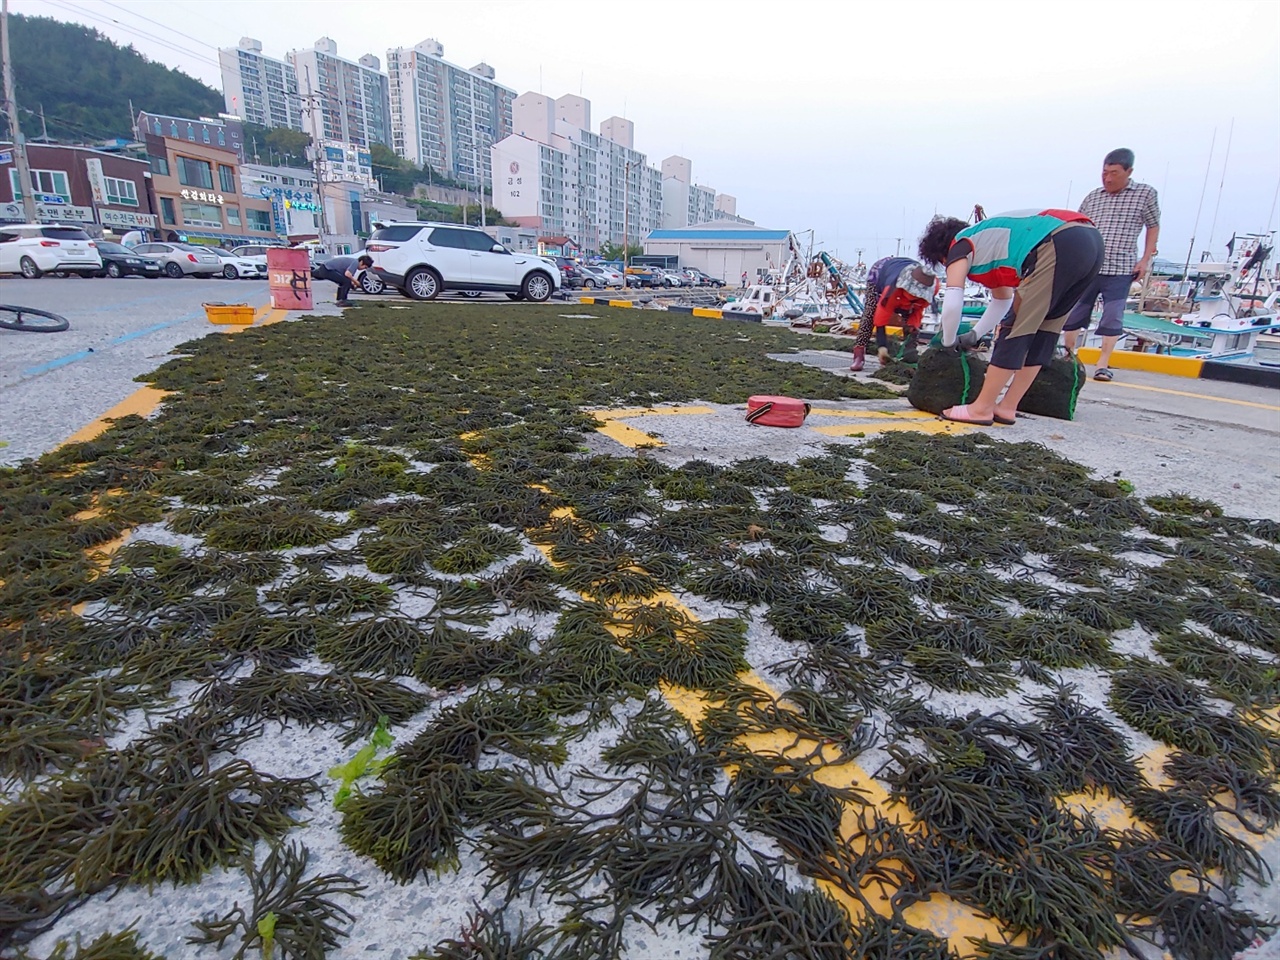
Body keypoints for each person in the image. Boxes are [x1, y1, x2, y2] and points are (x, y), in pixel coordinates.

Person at [918, 209, 1103, 426]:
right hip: (1092, 242)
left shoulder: (959, 245)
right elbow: (1002, 300)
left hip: (1057, 240)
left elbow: (952, 303)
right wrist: (975, 334)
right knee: (1045, 332)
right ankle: (1007, 407)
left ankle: (981, 408)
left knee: (1015, 328)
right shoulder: (992, 244)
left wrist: (948, 342)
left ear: (942, 253)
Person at [1060, 148, 1161, 382]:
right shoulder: (1093, 197)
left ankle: (1103, 364)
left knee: (1112, 316)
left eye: (1114, 173)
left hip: (1121, 266)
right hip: (1089, 264)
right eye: (1104, 173)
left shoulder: (1144, 194)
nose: (1108, 178)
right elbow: (1078, 226)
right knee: (1075, 312)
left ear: (1129, 172)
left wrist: (1145, 259)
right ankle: (1068, 357)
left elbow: (1153, 225)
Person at [849, 256, 937, 371]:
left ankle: (908, 357)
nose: (915, 296)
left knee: (911, 326)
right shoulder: (892, 290)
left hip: (906, 273)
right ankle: (859, 354)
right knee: (870, 314)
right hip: (880, 274)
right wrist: (882, 347)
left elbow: (917, 314)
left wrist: (912, 330)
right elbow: (881, 319)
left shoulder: (930, 286)